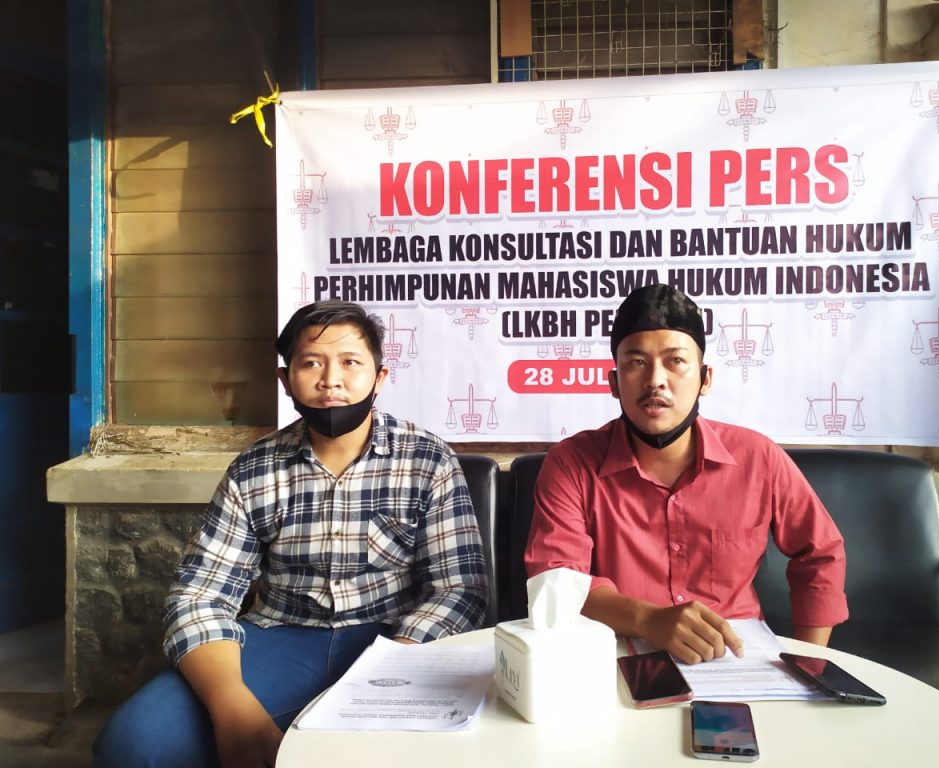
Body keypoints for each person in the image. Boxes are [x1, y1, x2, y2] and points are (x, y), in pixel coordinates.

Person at [94, 300, 488, 768]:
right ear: (286, 380)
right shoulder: (254, 469)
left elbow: (459, 590)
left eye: (350, 362)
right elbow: (200, 595)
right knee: (135, 744)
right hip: (280, 638)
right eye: (311, 363)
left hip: (393, 641)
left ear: (380, 377)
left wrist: (394, 667)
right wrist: (231, 705)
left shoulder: (427, 459)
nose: (330, 380)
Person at [523, 284, 847, 665]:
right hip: (619, 663)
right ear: (613, 383)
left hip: (739, 662)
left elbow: (820, 552)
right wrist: (648, 620)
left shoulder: (758, 458)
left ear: (705, 378)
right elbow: (558, 581)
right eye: (636, 362)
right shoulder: (570, 465)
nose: (655, 380)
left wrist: (808, 663)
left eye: (675, 361)